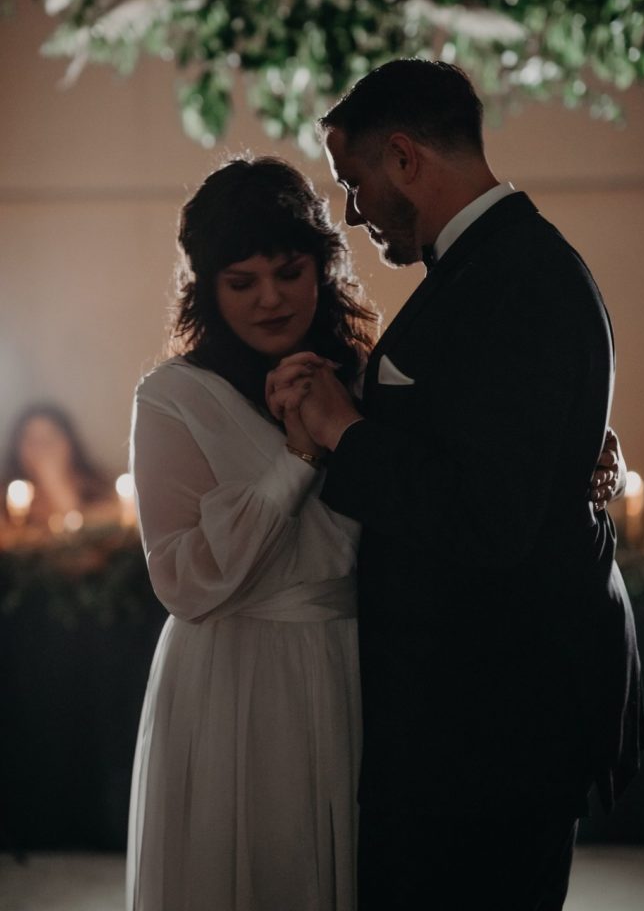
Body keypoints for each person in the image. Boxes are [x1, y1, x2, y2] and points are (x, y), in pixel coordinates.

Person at [266, 60, 644, 910]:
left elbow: (488, 517)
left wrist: (344, 432)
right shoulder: (490, 269)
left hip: (486, 731)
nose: (352, 212)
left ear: (404, 157)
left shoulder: (514, 282)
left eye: (353, 183)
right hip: (470, 723)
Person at [125, 156, 378, 911]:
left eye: (288, 271)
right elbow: (184, 583)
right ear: (205, 286)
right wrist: (295, 457)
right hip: (228, 674)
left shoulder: (363, 379)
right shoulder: (172, 398)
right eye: (241, 281)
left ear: (322, 268)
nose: (270, 298)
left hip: (348, 661)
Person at [1, 403, 115, 534]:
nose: (41, 448)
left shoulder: (99, 488)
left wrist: (55, 484)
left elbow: (91, 537)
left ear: (70, 443)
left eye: (50, 438)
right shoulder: (5, 500)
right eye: (32, 441)